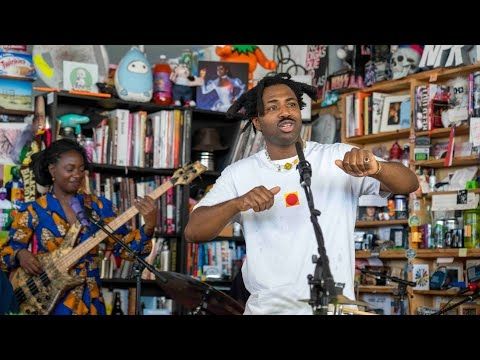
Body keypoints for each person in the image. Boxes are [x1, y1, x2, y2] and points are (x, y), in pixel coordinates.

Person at [184, 73, 419, 315]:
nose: (285, 112)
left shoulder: (336, 157)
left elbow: (409, 183)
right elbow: (194, 231)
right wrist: (237, 203)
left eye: (291, 104)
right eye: (273, 107)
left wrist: (377, 168)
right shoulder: (239, 173)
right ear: (257, 121)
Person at [0, 139, 157, 315]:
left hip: (91, 300)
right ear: (53, 170)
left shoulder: (99, 207)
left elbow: (127, 250)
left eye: (81, 169)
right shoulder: (33, 210)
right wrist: (21, 254)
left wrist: (149, 227)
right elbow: (6, 253)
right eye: (70, 169)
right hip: (51, 302)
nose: (77, 174)